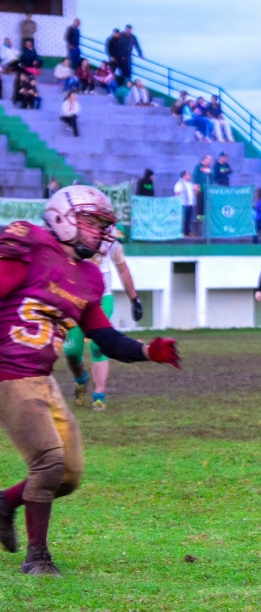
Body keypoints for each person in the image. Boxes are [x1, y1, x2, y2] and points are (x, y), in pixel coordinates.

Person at [0, 185, 179, 576]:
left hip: (41, 378)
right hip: (7, 374)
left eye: (103, 225)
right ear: (63, 218)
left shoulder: (88, 277)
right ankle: (37, 557)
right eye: (92, 222)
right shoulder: (29, 246)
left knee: (67, 475)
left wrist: (148, 351)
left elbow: (104, 337)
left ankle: (6, 502)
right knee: (47, 463)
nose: (100, 232)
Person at [63, 226, 144, 411]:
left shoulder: (111, 239)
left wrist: (134, 299)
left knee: (98, 345)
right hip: (75, 298)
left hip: (101, 297)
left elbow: (122, 269)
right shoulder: (69, 233)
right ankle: (80, 379)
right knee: (72, 351)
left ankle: (99, 396)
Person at [174, 171, 196, 237]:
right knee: (182, 219)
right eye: (188, 175)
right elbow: (177, 194)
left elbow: (194, 193)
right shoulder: (179, 184)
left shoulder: (190, 184)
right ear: (184, 176)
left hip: (190, 204)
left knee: (188, 219)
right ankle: (181, 232)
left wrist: (196, 190)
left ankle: (187, 232)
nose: (189, 176)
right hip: (183, 204)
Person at [193, 155, 212, 221]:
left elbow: (211, 177)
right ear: (205, 159)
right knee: (199, 200)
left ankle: (205, 215)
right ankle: (199, 216)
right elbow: (195, 176)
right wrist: (196, 185)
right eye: (209, 160)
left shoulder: (209, 168)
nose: (210, 161)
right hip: (200, 186)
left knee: (206, 201)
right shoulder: (198, 167)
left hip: (207, 188)